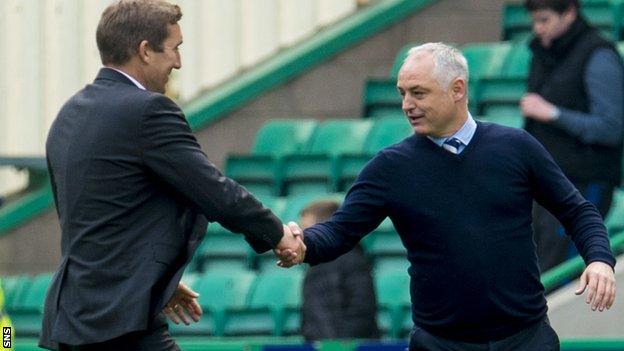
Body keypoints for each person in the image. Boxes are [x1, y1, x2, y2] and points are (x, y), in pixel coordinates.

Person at [285, 43, 616, 351]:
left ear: (458, 89)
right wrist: (304, 244)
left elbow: (578, 212)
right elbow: (340, 231)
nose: (406, 105)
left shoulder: (516, 147)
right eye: (402, 94)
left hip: (525, 340)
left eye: (418, 93)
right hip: (440, 344)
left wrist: (599, 259)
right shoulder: (390, 167)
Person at [39, 1, 304, 350]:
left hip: (73, 315)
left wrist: (153, 281)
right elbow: (213, 190)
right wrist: (277, 234)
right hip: (119, 325)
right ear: (145, 51)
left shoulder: (69, 113)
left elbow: (94, 219)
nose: (178, 62)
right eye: (175, 49)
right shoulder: (148, 110)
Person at [520, 0, 624, 272]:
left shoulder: (599, 55)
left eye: (544, 20)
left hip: (582, 183)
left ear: (569, 13)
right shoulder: (542, 52)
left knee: (560, 274)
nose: (537, 28)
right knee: (536, 271)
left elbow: (610, 127)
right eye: (534, 21)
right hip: (542, 184)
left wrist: (553, 113)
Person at [299, 200, 379, 341]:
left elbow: (361, 309)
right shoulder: (316, 263)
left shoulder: (353, 260)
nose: (300, 236)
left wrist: (339, 345)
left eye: (306, 228)